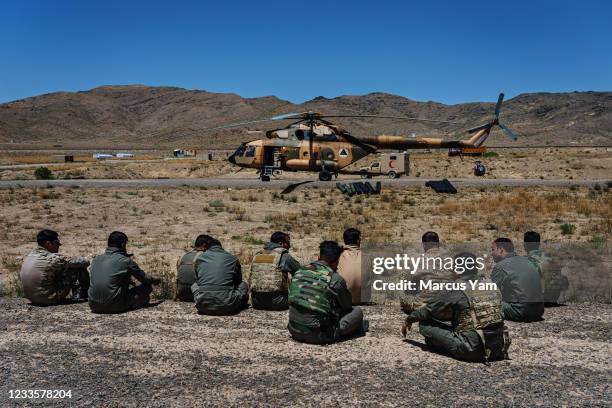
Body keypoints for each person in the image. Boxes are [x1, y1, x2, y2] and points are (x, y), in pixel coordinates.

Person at [401, 253, 509, 363]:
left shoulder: (456, 288)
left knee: (425, 325)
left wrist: (408, 319)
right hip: (497, 347)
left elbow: (428, 310)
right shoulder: (490, 284)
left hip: (472, 350)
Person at [288, 241, 365, 344]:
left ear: (319, 256)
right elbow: (347, 307)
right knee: (357, 312)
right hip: (318, 335)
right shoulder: (335, 279)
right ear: (335, 262)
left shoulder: (299, 271)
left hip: (293, 330)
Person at [88, 231, 160, 314]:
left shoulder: (96, 259)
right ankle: (132, 304)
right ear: (123, 245)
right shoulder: (125, 261)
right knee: (146, 287)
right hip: (114, 306)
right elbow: (144, 279)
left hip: (93, 305)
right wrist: (156, 280)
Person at [20, 229, 90, 305]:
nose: (58, 246)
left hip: (30, 298)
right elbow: (84, 262)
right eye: (56, 243)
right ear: (48, 243)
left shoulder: (29, 256)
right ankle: (82, 295)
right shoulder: (53, 258)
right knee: (78, 267)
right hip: (48, 299)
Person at [399, 231, 455, 319]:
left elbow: (408, 284)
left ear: (424, 244)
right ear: (438, 243)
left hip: (427, 308)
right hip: (448, 308)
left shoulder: (417, 260)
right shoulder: (451, 259)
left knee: (404, 281)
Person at [191, 236, 248, 315]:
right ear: (220, 247)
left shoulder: (199, 258)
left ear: (207, 247)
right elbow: (238, 281)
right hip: (227, 306)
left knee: (194, 284)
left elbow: (197, 281)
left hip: (203, 306)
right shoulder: (233, 258)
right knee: (243, 285)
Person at [491, 238, 544, 322]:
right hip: (539, 311)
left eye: (493, 249)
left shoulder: (501, 266)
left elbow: (490, 292)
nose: (491, 253)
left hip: (521, 312)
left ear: (501, 250)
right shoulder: (528, 261)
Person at [249, 231, 301, 310]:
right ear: (281, 243)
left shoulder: (258, 255)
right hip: (278, 303)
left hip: (256, 302)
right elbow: (300, 271)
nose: (289, 246)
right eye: (287, 242)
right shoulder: (284, 256)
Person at [524, 231, 569, 304]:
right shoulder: (549, 258)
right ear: (539, 244)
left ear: (525, 245)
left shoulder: (525, 260)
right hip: (552, 298)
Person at [175, 235, 210, 302]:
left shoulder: (183, 256)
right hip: (196, 295)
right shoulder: (205, 257)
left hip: (182, 295)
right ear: (205, 245)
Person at [337, 228, 366, 305]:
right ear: (358, 241)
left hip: (342, 300)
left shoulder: (338, 256)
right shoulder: (366, 257)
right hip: (362, 299)